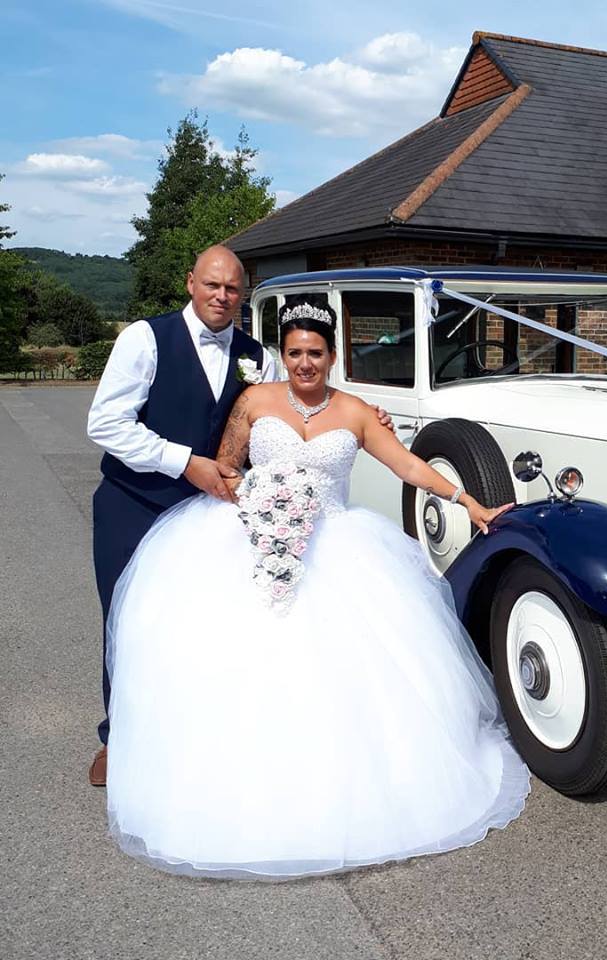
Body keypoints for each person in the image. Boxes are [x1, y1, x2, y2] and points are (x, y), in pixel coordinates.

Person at [103, 304, 529, 878]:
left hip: (336, 545)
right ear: (285, 354)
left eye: (317, 353)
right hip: (254, 540)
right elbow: (226, 467)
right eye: (296, 352)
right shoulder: (254, 401)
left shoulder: (355, 412)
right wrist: (258, 501)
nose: (305, 363)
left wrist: (471, 504)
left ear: (333, 357)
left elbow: (408, 466)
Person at [86, 246, 392, 786]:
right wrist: (183, 461)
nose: (222, 297)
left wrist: (365, 416)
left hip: (216, 512)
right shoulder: (145, 338)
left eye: (232, 289)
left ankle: (184, 732)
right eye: (212, 285)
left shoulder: (258, 356)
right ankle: (119, 737)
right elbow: (107, 423)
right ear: (190, 282)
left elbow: (280, 418)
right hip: (135, 503)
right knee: (130, 620)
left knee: (201, 628)